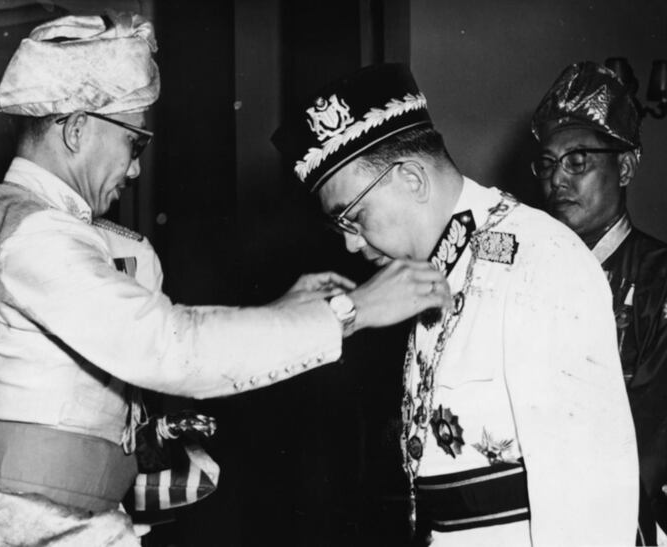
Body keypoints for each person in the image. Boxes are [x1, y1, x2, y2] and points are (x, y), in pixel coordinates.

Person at [0, 13, 452, 547]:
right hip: (5, 526)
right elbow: (170, 346)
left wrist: (284, 309)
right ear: (76, 130)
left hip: (58, 522)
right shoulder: (32, 232)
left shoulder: (13, 221)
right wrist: (351, 313)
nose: (137, 165)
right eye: (133, 140)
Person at [271, 62, 639, 546]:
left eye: (354, 218)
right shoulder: (432, 268)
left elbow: (591, 501)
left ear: (411, 179)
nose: (351, 246)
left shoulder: (539, 258)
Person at [531, 60, 667, 545]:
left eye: (578, 161)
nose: (557, 180)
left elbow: (651, 440)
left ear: (625, 166)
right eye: (547, 164)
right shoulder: (529, 277)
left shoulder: (659, 281)